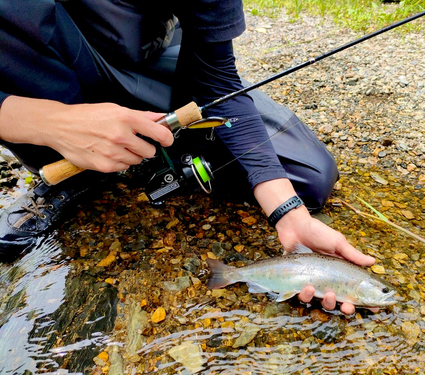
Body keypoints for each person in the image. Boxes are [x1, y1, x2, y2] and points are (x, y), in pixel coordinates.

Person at [0, 0, 376, 314]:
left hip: (155, 60)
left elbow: (219, 79)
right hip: (36, 73)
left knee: (309, 177)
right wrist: (49, 124)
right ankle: (71, 170)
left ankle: (156, 146)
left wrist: (287, 212)